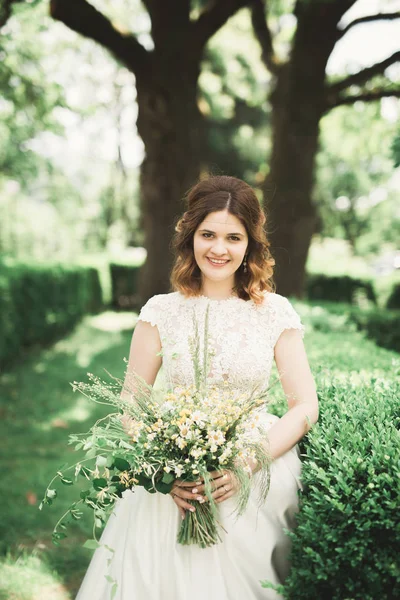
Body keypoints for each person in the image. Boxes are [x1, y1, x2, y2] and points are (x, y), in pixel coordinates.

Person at [75, 175, 319, 600]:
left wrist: (245, 464)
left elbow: (304, 406)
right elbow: (132, 402)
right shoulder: (161, 312)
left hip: (253, 458)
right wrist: (166, 470)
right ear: (189, 236)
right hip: (176, 461)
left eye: (233, 237)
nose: (219, 249)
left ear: (250, 244)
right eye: (207, 234)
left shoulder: (274, 313)